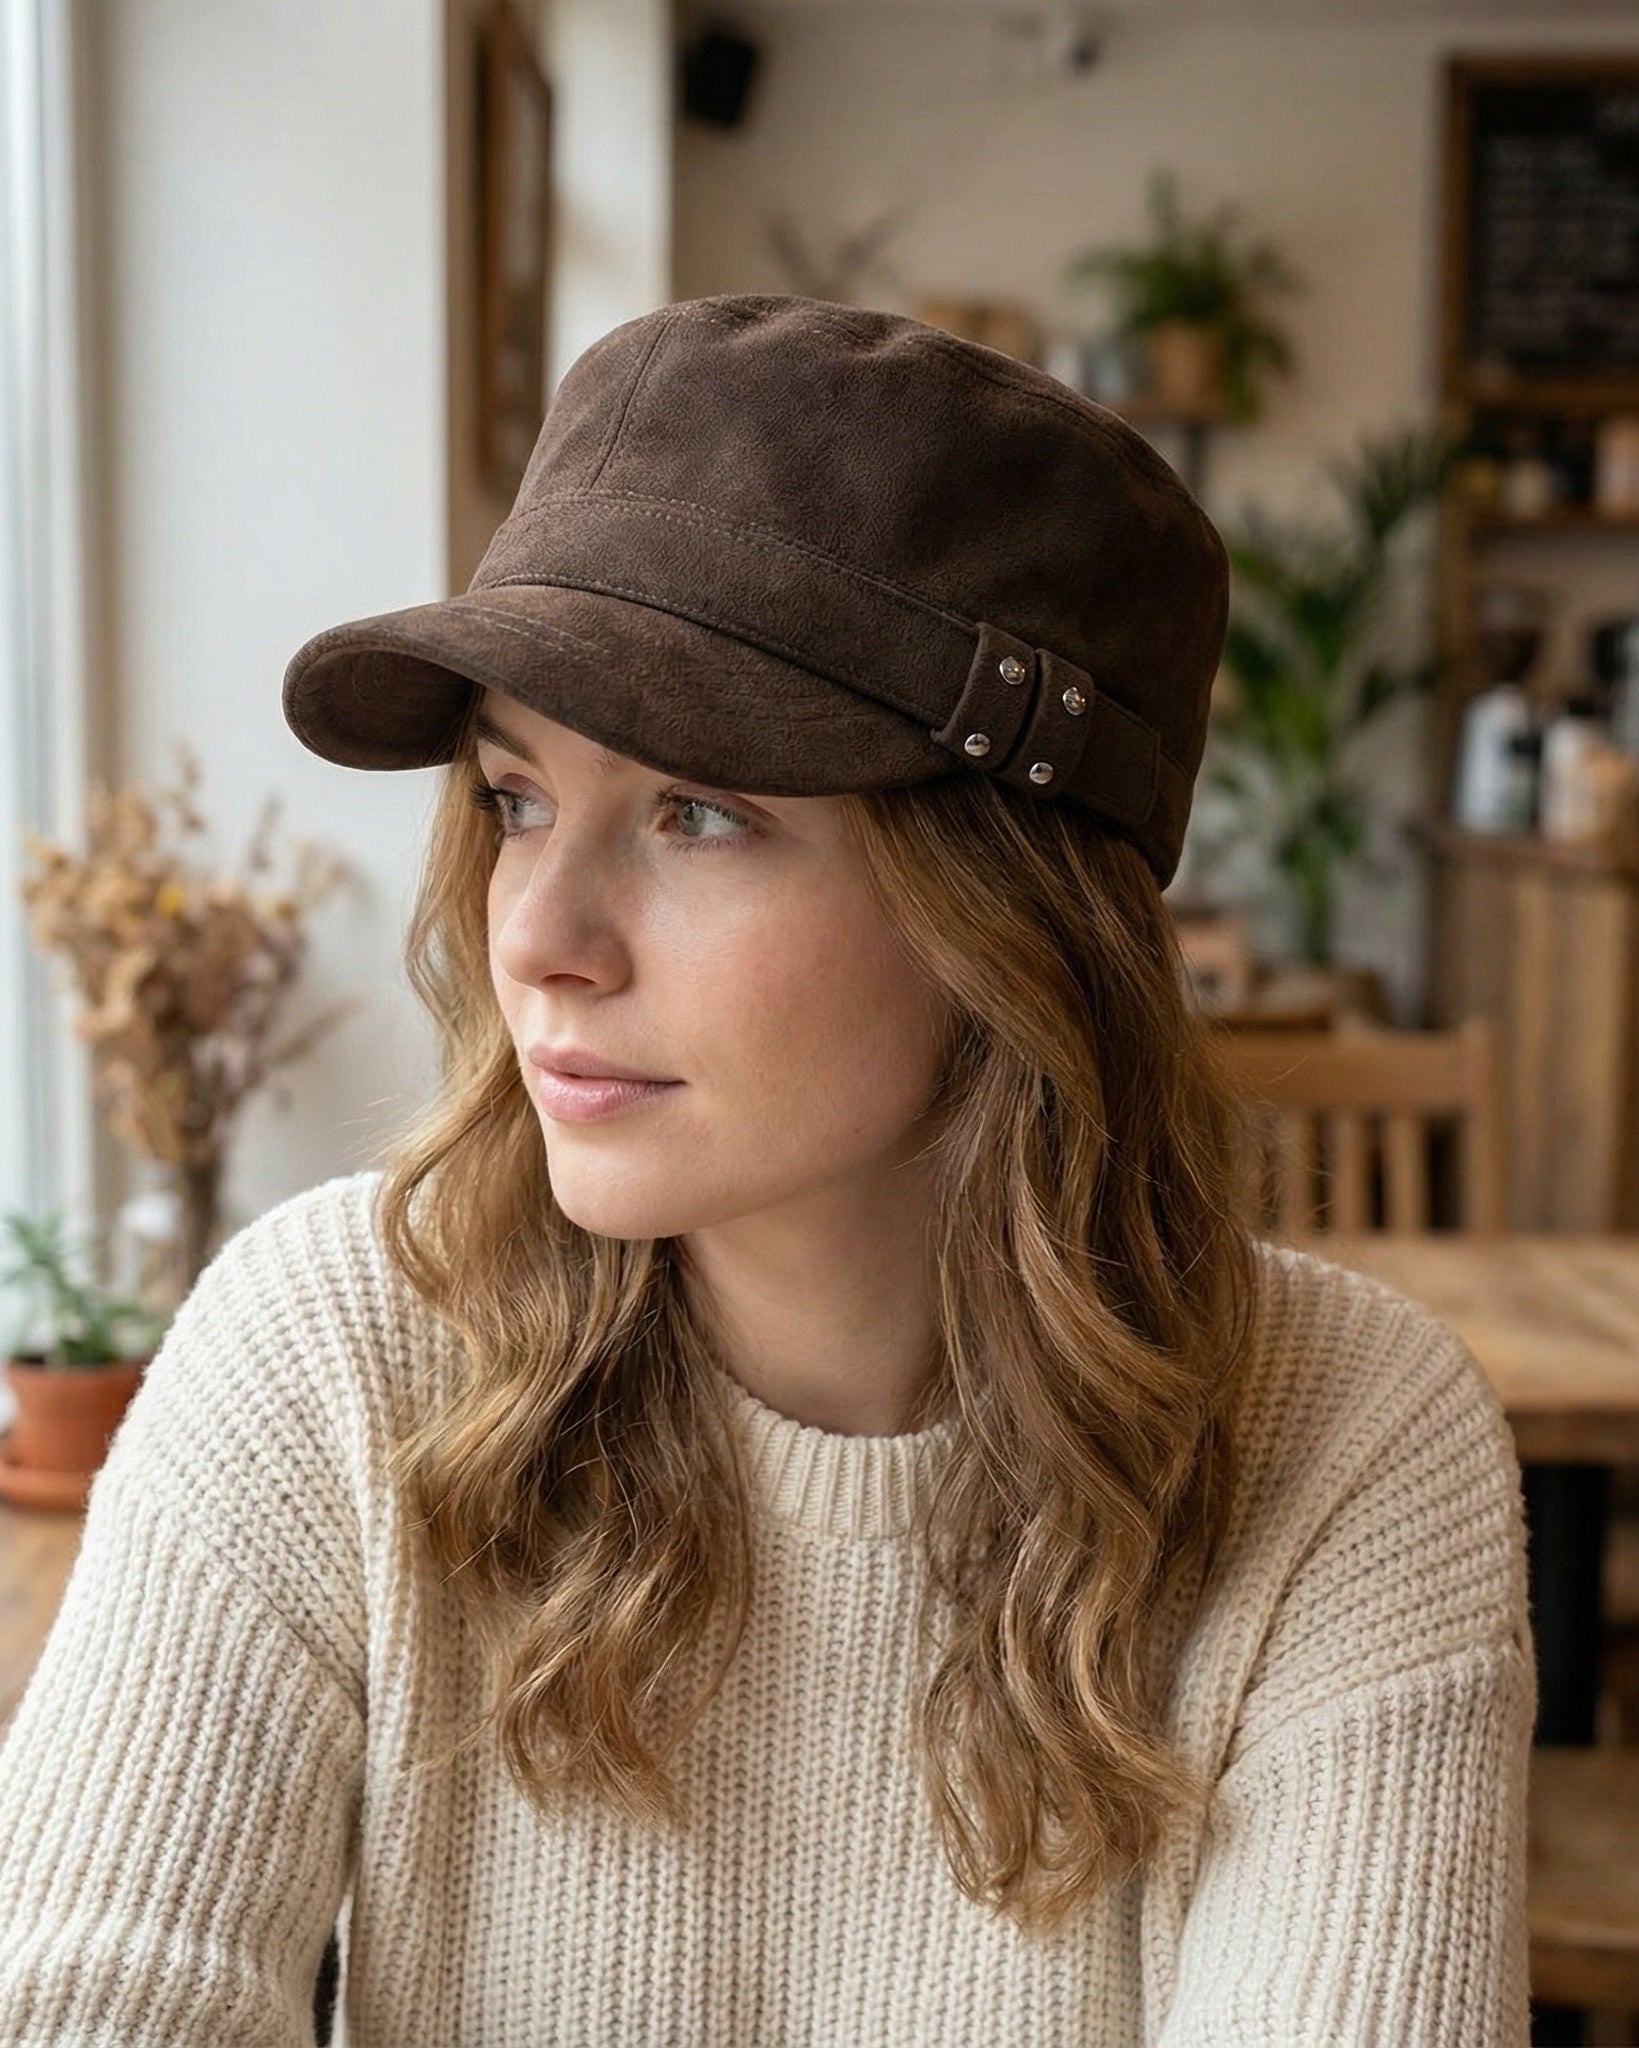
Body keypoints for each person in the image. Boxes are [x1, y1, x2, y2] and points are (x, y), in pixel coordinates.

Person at [0, 294, 1534, 2046]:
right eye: (516, 801)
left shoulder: (1345, 1445)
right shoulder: (329, 1346)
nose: (545, 942)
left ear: (1009, 919)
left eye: (698, 815)